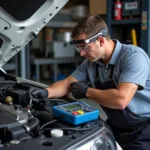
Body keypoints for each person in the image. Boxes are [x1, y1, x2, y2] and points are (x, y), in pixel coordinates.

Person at [29, 15, 150, 150]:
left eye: (85, 47)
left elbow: (121, 100)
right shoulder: (91, 63)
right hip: (115, 127)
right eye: (78, 48)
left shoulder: (133, 57)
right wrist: (44, 92)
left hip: (143, 130)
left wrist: (86, 91)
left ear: (101, 40)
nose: (81, 53)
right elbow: (66, 83)